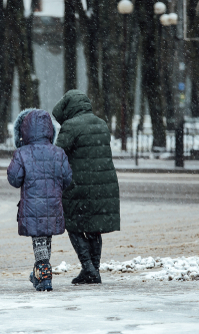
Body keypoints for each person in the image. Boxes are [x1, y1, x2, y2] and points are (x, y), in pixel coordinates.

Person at [52, 90, 120, 284]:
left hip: (79, 185)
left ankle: (89, 268)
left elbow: (58, 155)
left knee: (72, 225)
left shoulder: (71, 126)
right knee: (93, 228)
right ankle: (94, 269)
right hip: (104, 185)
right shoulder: (101, 123)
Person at [7, 109, 72, 291]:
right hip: (53, 205)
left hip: (32, 205)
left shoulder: (22, 153)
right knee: (45, 236)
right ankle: (39, 271)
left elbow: (14, 179)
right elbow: (67, 179)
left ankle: (44, 273)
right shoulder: (58, 153)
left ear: (24, 131)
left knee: (39, 237)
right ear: (49, 130)